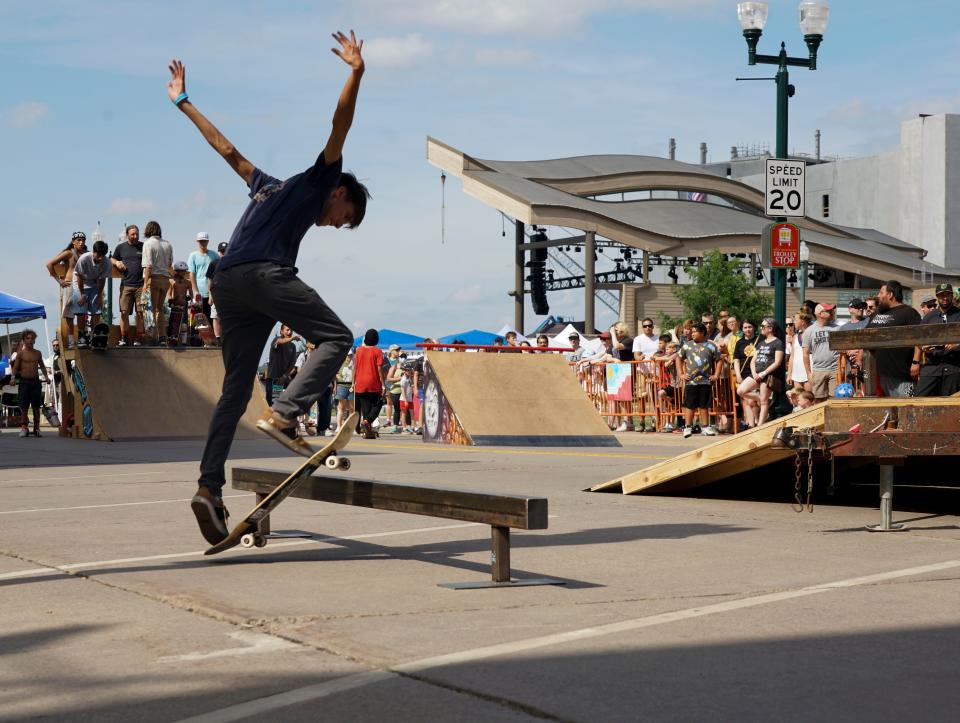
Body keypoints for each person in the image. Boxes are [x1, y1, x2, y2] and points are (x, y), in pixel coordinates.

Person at [170, 33, 370, 544]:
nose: (330, 224)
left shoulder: (265, 185)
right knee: (336, 338)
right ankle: (285, 413)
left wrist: (183, 101)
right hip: (263, 274)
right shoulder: (318, 180)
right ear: (340, 192)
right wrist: (356, 74)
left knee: (235, 388)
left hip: (228, 283)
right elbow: (340, 125)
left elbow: (226, 149)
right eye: (341, 218)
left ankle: (208, 487)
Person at [866, 280, 921, 398]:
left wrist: (915, 362)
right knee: (888, 413)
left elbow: (919, 338)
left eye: (881, 293)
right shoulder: (877, 312)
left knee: (907, 410)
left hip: (902, 375)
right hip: (882, 375)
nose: (878, 296)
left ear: (890, 295)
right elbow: (866, 336)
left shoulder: (909, 312)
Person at [914, 283, 960, 397]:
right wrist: (925, 348)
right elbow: (919, 339)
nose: (945, 298)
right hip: (932, 367)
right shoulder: (929, 317)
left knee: (951, 406)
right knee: (920, 400)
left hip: (953, 367)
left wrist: (957, 345)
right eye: (941, 295)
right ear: (937, 297)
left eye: (947, 294)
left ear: (952, 295)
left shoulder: (959, 314)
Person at [677, 322, 722, 438]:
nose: (692, 334)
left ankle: (705, 427)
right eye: (691, 332)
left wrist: (716, 375)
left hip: (706, 381)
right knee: (690, 405)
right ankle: (687, 427)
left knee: (704, 405)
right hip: (691, 381)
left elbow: (719, 359)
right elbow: (678, 358)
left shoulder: (710, 346)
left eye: (695, 331)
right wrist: (681, 374)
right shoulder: (687, 345)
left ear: (702, 333)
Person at [739, 317, 785, 426]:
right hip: (756, 373)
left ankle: (760, 425)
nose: (761, 328)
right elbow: (753, 360)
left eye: (763, 326)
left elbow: (777, 362)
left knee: (764, 402)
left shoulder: (778, 343)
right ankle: (762, 399)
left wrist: (764, 373)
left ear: (770, 328)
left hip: (768, 375)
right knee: (741, 391)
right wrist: (754, 373)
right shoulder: (760, 343)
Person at [45, 232, 87, 349]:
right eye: (78, 240)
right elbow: (49, 264)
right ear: (73, 241)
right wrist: (59, 281)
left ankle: (82, 338)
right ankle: (71, 339)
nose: (81, 242)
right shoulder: (69, 253)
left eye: (83, 240)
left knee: (81, 313)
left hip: (82, 287)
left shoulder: (87, 254)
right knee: (69, 314)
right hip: (69, 285)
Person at [10, 329, 49, 437]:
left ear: (35, 340)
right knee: (24, 406)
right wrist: (13, 378)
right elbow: (15, 368)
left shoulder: (38, 353)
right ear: (24, 340)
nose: (30, 340)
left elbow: (42, 366)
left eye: (32, 338)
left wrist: (46, 376)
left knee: (36, 406)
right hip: (24, 382)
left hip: (36, 382)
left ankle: (36, 428)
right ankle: (24, 428)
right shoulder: (20, 354)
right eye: (28, 338)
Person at [73, 240, 111, 348]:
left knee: (96, 310)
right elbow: (79, 277)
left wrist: (99, 296)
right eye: (98, 255)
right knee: (81, 310)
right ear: (93, 251)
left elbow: (103, 280)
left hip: (94, 285)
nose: (100, 258)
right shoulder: (84, 258)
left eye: (102, 256)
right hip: (80, 284)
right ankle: (81, 336)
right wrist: (82, 294)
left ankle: (95, 335)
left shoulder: (107, 262)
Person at [112, 224, 145, 346]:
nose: (135, 236)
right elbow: (112, 258)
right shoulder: (121, 247)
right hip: (126, 285)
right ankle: (123, 338)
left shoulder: (143, 246)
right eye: (133, 234)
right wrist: (117, 262)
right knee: (124, 312)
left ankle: (139, 338)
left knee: (140, 313)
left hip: (141, 285)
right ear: (127, 235)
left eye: (137, 234)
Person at [141, 220, 174, 346]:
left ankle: (152, 337)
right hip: (165, 279)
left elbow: (148, 265)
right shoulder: (167, 244)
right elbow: (170, 263)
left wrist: (145, 283)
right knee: (160, 309)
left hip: (153, 278)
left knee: (150, 309)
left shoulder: (148, 244)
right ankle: (162, 337)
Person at [802, 303, 840, 402]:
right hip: (818, 370)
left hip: (835, 369)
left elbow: (842, 350)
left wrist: (842, 368)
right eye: (828, 311)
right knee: (818, 400)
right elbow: (805, 354)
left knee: (835, 399)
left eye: (832, 310)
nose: (831, 312)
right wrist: (809, 374)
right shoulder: (809, 331)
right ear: (819, 314)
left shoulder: (837, 328)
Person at [354, 328, 384, 438]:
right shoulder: (377, 351)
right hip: (373, 382)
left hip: (360, 382)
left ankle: (368, 432)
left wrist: (354, 382)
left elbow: (355, 368)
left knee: (365, 408)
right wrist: (383, 383)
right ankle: (367, 422)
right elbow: (379, 368)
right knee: (379, 403)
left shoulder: (358, 350)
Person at [264, 325, 300, 406]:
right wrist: (293, 338)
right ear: (281, 331)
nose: (289, 332)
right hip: (273, 379)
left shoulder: (293, 347)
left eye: (291, 330)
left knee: (280, 406)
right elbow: (280, 341)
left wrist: (284, 376)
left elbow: (292, 364)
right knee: (270, 405)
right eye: (287, 330)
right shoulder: (276, 339)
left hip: (282, 380)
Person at [733, 320, 759, 428]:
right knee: (746, 400)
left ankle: (757, 421)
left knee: (752, 401)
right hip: (744, 374)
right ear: (742, 329)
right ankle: (751, 425)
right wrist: (738, 375)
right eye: (745, 327)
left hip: (755, 373)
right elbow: (736, 360)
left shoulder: (759, 340)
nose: (747, 330)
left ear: (754, 328)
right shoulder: (739, 343)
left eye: (750, 327)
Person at [188, 232, 219, 319]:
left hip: (211, 292)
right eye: (201, 241)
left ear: (208, 241)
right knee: (197, 318)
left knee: (211, 317)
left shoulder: (214, 255)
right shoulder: (193, 256)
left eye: (204, 241)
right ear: (197, 241)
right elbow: (191, 273)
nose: (203, 243)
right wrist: (195, 290)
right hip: (198, 292)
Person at [205, 241, 228, 343]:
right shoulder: (214, 263)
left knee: (226, 316)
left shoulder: (232, 263)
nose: (224, 253)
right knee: (215, 316)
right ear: (219, 252)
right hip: (216, 293)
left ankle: (226, 337)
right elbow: (209, 280)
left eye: (226, 251)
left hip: (228, 294)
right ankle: (218, 338)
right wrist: (210, 295)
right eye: (222, 251)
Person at [167, 261, 192, 345]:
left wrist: (190, 299)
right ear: (177, 271)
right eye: (182, 271)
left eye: (185, 271)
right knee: (174, 323)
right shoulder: (172, 281)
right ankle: (172, 339)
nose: (184, 272)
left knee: (184, 324)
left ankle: (184, 342)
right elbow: (169, 294)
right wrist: (170, 301)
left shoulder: (188, 282)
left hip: (184, 305)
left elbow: (191, 295)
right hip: (175, 305)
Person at [335, 349, 355, 431]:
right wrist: (335, 386)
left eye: (350, 355)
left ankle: (351, 428)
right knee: (341, 407)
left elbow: (354, 374)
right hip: (341, 386)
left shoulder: (354, 364)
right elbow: (335, 374)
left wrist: (353, 384)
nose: (348, 357)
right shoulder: (340, 363)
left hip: (351, 387)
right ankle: (338, 426)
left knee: (351, 408)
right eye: (347, 355)